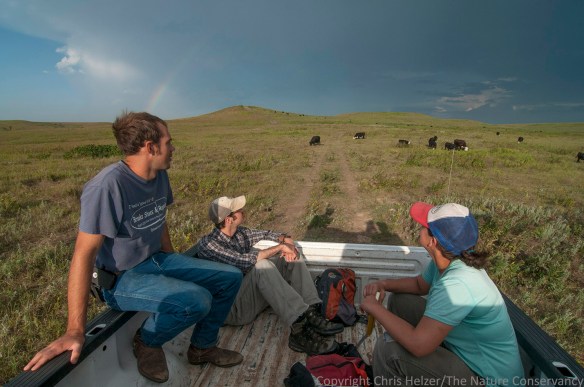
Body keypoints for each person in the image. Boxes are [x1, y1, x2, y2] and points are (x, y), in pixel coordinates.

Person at [24, 112, 244, 384]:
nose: (173, 148)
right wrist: (74, 330)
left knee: (230, 277)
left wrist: (173, 260)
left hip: (157, 260)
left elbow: (159, 218)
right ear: (151, 148)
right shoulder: (107, 187)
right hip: (121, 279)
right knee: (197, 300)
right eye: (169, 142)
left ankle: (202, 347)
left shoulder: (159, 175)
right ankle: (147, 341)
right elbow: (83, 255)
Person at [361, 202, 524, 387]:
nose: (420, 227)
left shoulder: (458, 284)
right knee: (401, 301)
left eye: (424, 226)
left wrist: (374, 308)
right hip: (465, 354)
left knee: (387, 350)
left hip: (487, 379)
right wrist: (383, 284)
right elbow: (418, 285)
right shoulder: (449, 259)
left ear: (433, 241)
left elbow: (419, 346)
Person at [197, 195, 344, 355]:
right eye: (238, 210)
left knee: (292, 254)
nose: (243, 211)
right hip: (231, 309)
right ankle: (299, 328)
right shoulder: (209, 245)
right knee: (262, 266)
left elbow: (267, 234)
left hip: (246, 296)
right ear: (228, 219)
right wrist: (281, 247)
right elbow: (244, 260)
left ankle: (313, 311)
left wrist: (286, 241)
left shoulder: (239, 233)